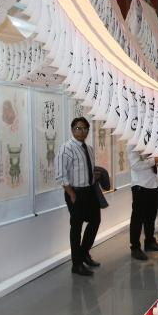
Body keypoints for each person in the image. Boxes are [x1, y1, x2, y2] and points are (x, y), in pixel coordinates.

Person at [55, 117, 111, 277]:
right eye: (78, 128)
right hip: (75, 192)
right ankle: (77, 264)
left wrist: (94, 176)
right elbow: (60, 175)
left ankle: (84, 253)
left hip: (89, 191)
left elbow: (85, 169)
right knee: (76, 227)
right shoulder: (66, 148)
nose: (82, 131)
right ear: (72, 130)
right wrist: (71, 194)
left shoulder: (89, 149)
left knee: (95, 221)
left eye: (85, 128)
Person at [127, 146, 158, 261]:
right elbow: (135, 165)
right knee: (138, 218)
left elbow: (152, 162)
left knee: (151, 216)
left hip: (153, 183)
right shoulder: (133, 144)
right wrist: (154, 160)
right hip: (140, 185)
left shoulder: (149, 142)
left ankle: (150, 242)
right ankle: (135, 247)